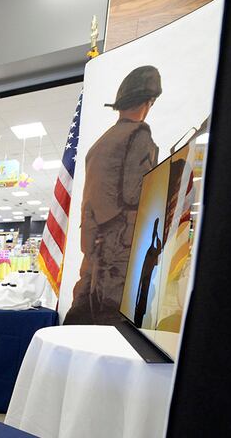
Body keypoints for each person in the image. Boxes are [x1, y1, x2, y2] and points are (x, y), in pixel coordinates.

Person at [64, 65, 161, 325]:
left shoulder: (100, 144)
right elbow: (135, 194)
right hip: (121, 248)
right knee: (116, 321)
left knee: (82, 312)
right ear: (148, 102)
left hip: (94, 245)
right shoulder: (139, 135)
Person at [134, 218, 162, 327]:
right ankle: (138, 317)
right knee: (142, 292)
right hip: (146, 273)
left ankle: (139, 318)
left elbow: (157, 262)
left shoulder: (156, 245)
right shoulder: (154, 245)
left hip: (148, 274)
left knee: (143, 292)